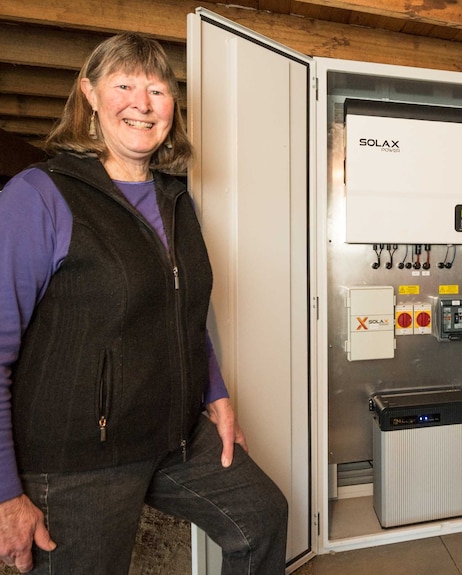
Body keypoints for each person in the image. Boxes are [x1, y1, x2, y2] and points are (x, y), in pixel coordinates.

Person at [0, 33, 288, 574]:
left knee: (262, 517)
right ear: (89, 94)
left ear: (172, 106)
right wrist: (3, 495)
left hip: (172, 434)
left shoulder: (175, 198)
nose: (142, 102)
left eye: (157, 89)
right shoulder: (39, 196)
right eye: (124, 84)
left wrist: (217, 395)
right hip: (77, 459)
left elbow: (183, 311)